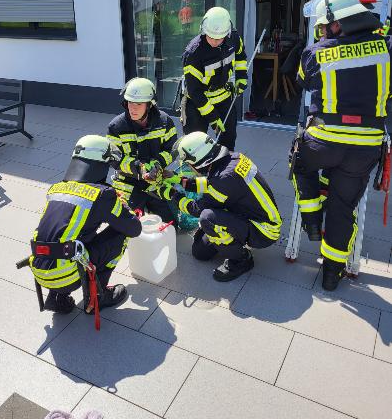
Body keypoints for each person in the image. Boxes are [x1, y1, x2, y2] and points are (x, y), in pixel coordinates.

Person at [292, 0, 391, 290]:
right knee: (343, 206)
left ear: (338, 24)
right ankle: (332, 273)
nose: (322, 31)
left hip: (324, 143)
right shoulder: (386, 48)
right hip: (365, 148)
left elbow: (302, 81)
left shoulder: (315, 52)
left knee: (301, 165)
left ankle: (311, 221)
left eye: (324, 26)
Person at [29, 135, 142, 314]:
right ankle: (98, 296)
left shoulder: (56, 188)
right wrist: (126, 208)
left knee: (68, 238)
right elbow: (134, 228)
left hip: (41, 270)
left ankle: (57, 298)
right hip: (68, 275)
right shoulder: (102, 194)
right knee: (121, 234)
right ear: (101, 163)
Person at [160, 131, 282, 281]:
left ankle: (242, 259)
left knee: (207, 218)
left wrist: (172, 194)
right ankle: (230, 240)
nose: (189, 167)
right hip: (247, 215)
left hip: (264, 231)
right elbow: (211, 184)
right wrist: (178, 179)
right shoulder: (231, 159)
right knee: (200, 252)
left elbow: (196, 209)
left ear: (198, 161)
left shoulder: (224, 178)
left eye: (188, 164)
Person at [107, 77, 178, 225]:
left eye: (138, 104)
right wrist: (141, 169)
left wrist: (157, 164)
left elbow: (172, 149)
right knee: (127, 227)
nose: (132, 108)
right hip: (128, 183)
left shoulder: (164, 122)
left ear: (150, 104)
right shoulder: (116, 127)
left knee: (170, 224)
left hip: (155, 181)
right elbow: (114, 159)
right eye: (130, 102)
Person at [181, 6, 247, 150]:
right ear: (203, 30)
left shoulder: (234, 38)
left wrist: (242, 77)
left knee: (228, 141)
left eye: (219, 38)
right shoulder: (193, 53)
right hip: (197, 103)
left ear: (227, 33)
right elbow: (195, 91)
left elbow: (240, 56)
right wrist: (213, 117)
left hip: (223, 96)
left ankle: (224, 164)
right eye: (210, 37)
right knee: (194, 146)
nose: (215, 41)